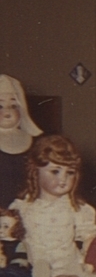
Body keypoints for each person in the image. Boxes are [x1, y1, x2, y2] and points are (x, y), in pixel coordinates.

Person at [10, 135, 96, 277]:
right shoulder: (23, 207)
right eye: (55, 171)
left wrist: (91, 256)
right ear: (35, 171)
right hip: (36, 267)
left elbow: (88, 235)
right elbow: (9, 234)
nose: (63, 179)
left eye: (70, 173)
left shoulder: (75, 207)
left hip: (69, 266)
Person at [0, 74, 42, 208]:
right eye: (0, 106)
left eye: (13, 106)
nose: (7, 112)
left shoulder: (36, 143)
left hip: (27, 207)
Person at [0, 207, 46, 277]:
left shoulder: (19, 244)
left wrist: (5, 265)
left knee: (12, 276)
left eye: (6, 226)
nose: (1, 229)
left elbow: (21, 262)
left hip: (13, 275)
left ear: (15, 228)